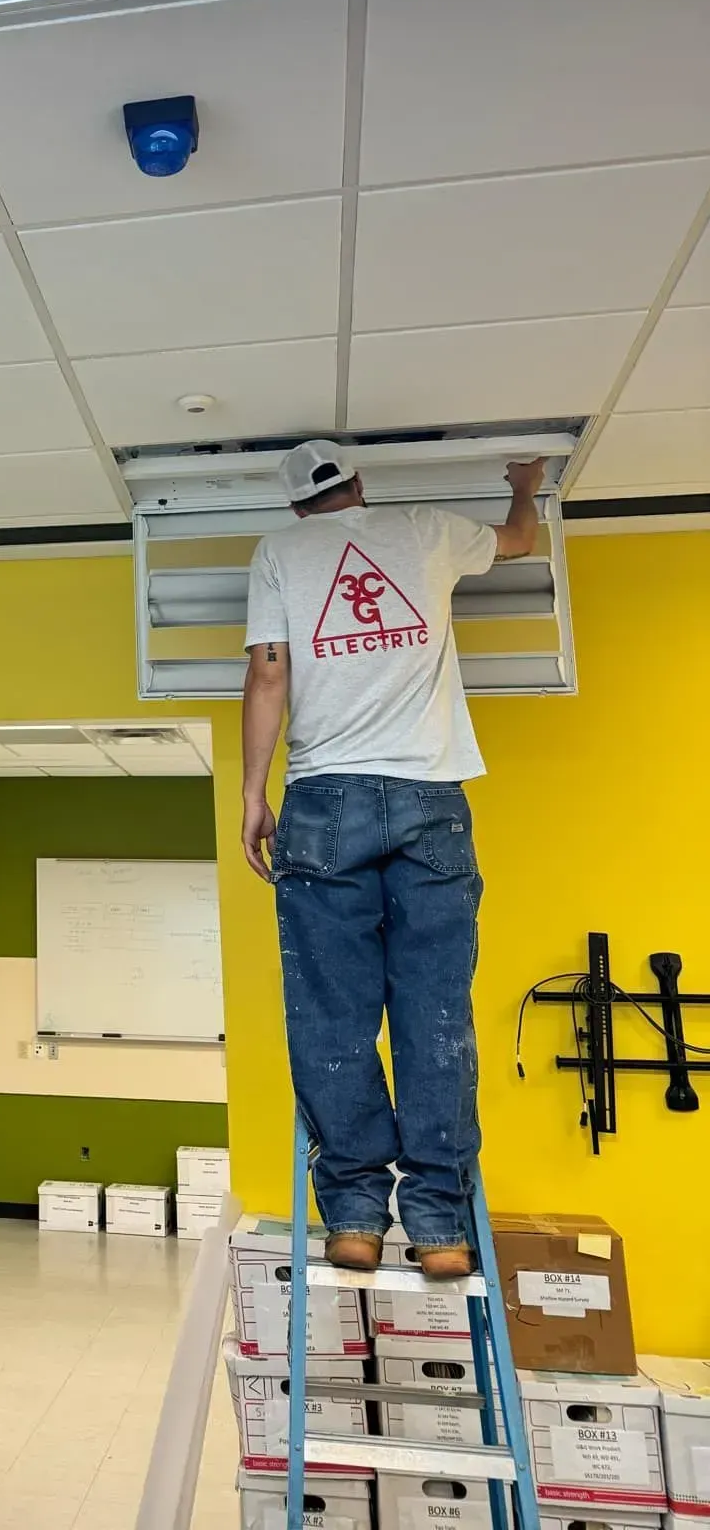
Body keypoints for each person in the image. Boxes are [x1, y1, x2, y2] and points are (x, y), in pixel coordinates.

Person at [240, 439, 545, 1278]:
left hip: (324, 797)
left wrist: (252, 793)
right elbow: (523, 540)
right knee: (435, 1011)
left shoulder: (279, 554)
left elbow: (269, 676)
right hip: (431, 799)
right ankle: (441, 1222)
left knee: (332, 1014)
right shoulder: (426, 529)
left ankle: (355, 1217)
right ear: (359, 484)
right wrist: (527, 486)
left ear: (299, 505)